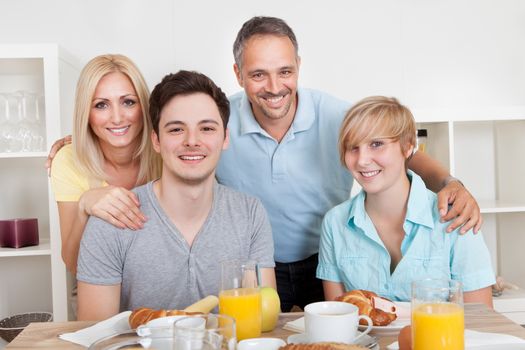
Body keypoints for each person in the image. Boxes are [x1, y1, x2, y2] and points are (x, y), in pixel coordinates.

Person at [215, 16, 484, 311]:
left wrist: (452, 184)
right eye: (258, 75)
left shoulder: (338, 116)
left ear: (299, 67)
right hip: (256, 265)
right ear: (238, 74)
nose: (274, 86)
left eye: (285, 71)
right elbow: (186, 163)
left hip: (327, 257)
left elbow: (406, 155)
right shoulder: (217, 123)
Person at [76, 70, 276, 321]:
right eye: (176, 130)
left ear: (225, 138)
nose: (192, 141)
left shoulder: (250, 214)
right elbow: (95, 336)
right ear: (156, 141)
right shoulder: (111, 220)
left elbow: (262, 324)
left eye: (206, 128)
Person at [317, 96, 494, 307]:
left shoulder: (456, 217)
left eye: (377, 144)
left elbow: (480, 317)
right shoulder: (335, 223)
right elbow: (339, 318)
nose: (362, 160)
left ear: (408, 147)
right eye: (352, 147)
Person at [50, 54, 161, 275]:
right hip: (96, 282)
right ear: (86, 114)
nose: (117, 118)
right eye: (101, 105)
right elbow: (73, 265)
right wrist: (84, 207)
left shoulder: (167, 153)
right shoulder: (69, 160)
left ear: (144, 106)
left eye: (128, 102)